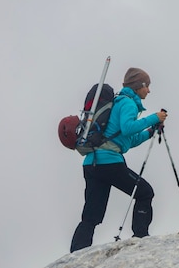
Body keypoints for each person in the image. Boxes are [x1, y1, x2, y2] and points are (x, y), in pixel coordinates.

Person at [70, 67, 168, 252]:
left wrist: (151, 131)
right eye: (147, 86)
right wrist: (155, 117)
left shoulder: (118, 103)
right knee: (145, 192)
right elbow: (129, 128)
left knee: (91, 215)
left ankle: (76, 253)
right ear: (140, 86)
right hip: (109, 163)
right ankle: (140, 238)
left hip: (91, 163)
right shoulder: (128, 103)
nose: (149, 90)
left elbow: (127, 141)